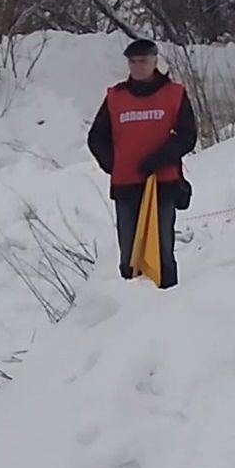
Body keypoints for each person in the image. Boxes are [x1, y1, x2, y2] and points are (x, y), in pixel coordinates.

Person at [86, 38, 198, 288]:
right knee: (130, 254)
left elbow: (187, 136)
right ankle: (130, 307)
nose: (138, 67)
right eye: (133, 62)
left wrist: (160, 159)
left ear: (155, 62)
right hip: (126, 186)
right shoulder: (116, 97)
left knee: (161, 252)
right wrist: (115, 165)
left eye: (144, 61)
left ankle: (168, 302)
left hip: (163, 183)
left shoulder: (174, 93)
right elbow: (96, 138)